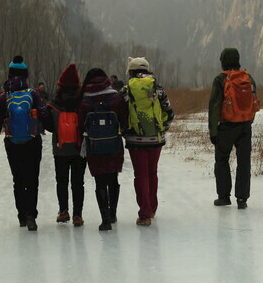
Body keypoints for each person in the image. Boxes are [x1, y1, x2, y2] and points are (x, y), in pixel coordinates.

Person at [0, 55, 47, 231]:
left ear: (9, 75)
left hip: (12, 143)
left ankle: (21, 215)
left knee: (18, 180)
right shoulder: (33, 94)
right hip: (33, 141)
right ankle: (31, 217)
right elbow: (43, 115)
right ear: (26, 76)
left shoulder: (4, 97)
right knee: (32, 179)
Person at [121, 57, 174, 226]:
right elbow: (169, 112)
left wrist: (125, 132)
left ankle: (144, 214)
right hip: (155, 139)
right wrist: (161, 129)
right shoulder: (157, 88)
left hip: (135, 140)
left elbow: (120, 113)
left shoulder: (126, 90)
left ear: (131, 71)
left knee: (140, 175)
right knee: (152, 173)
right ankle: (152, 208)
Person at [77, 68, 128, 231]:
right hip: (114, 144)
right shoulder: (116, 97)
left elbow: (80, 125)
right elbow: (125, 121)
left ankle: (105, 219)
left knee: (100, 180)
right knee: (113, 178)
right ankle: (113, 213)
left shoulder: (85, 100)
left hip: (94, 146)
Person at [209, 47, 259, 209]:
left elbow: (214, 106)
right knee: (244, 162)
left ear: (223, 60)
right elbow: (254, 101)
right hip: (245, 125)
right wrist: (248, 123)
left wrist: (213, 131)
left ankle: (224, 197)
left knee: (222, 160)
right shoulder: (248, 78)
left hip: (226, 126)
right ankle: (242, 199)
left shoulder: (220, 79)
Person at [40, 63, 86, 227]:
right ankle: (78, 215)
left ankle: (63, 211)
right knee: (78, 182)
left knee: (62, 181)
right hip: (79, 149)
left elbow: (49, 127)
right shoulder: (82, 103)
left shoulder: (54, 104)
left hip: (60, 150)